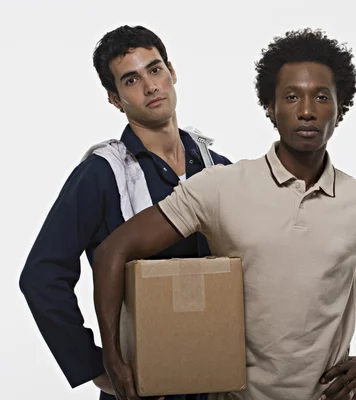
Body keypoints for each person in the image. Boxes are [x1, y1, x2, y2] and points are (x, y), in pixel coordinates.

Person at [92, 28, 356, 400]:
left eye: (321, 97)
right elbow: (113, 251)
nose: (306, 111)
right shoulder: (220, 187)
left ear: (340, 109)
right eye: (291, 97)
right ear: (270, 108)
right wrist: (113, 358)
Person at [19, 25, 231, 400]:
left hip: (222, 382)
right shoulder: (103, 173)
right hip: (145, 387)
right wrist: (96, 367)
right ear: (114, 99)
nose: (150, 86)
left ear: (172, 72)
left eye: (155, 69)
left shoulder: (217, 167)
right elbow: (42, 275)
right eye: (131, 80)